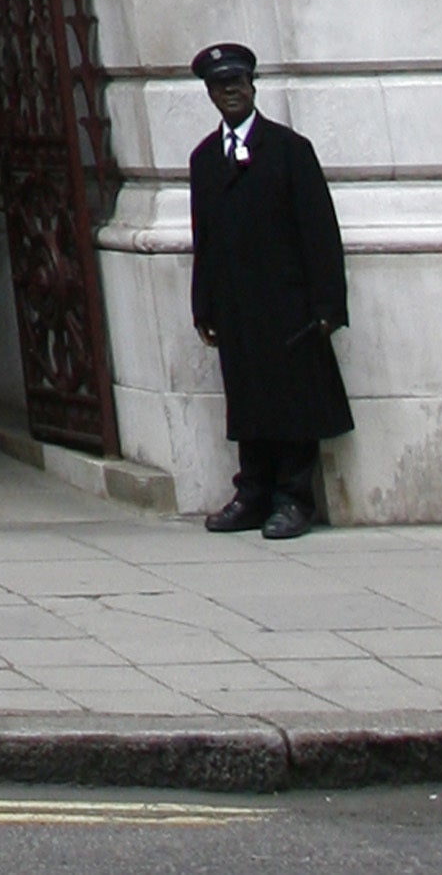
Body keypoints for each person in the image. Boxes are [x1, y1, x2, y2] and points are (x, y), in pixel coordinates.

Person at [186, 42, 352, 540]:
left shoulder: (288, 149)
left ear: (253, 86)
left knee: (294, 401)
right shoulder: (204, 159)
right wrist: (204, 305)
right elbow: (205, 238)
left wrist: (328, 304)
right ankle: (252, 491)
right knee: (248, 398)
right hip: (238, 306)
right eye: (220, 86)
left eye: (237, 83)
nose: (230, 92)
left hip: (288, 304)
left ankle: (293, 496)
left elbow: (320, 230)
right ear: (211, 95)